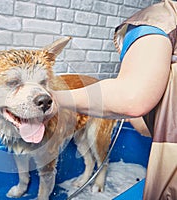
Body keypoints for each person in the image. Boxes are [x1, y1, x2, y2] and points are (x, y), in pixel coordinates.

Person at [53, 0, 177, 199]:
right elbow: (153, 124)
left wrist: (53, 98)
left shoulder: (160, 19)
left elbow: (131, 99)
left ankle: (98, 174)